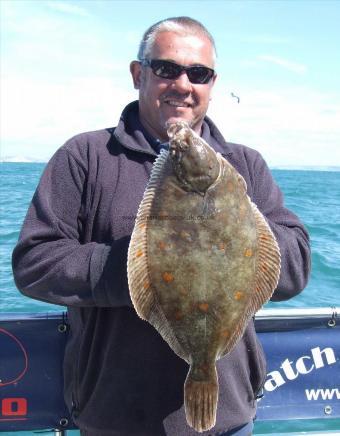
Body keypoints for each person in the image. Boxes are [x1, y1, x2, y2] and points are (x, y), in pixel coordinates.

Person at [12, 16, 311, 436]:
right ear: (139, 74)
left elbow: (296, 267)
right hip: (114, 418)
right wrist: (143, 267)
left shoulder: (245, 165)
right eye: (167, 69)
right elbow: (34, 263)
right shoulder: (85, 156)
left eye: (199, 73)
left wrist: (235, 234)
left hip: (230, 419)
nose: (183, 84)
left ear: (211, 84)